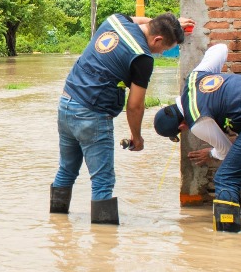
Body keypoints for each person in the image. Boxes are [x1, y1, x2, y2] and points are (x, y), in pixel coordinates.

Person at [49, 12, 187, 225]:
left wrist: (173, 24)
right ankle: (104, 247)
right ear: (157, 39)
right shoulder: (142, 57)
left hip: (66, 103)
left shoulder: (115, 20)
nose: (160, 53)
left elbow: (141, 21)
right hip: (93, 114)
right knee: (103, 183)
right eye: (164, 49)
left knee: (66, 170)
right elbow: (135, 106)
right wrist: (137, 136)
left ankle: (57, 227)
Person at [152, 42, 241, 233]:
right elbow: (220, 48)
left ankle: (226, 235)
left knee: (226, 176)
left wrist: (210, 153)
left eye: (180, 132)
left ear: (180, 126)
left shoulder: (197, 121)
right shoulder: (195, 78)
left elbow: (226, 151)